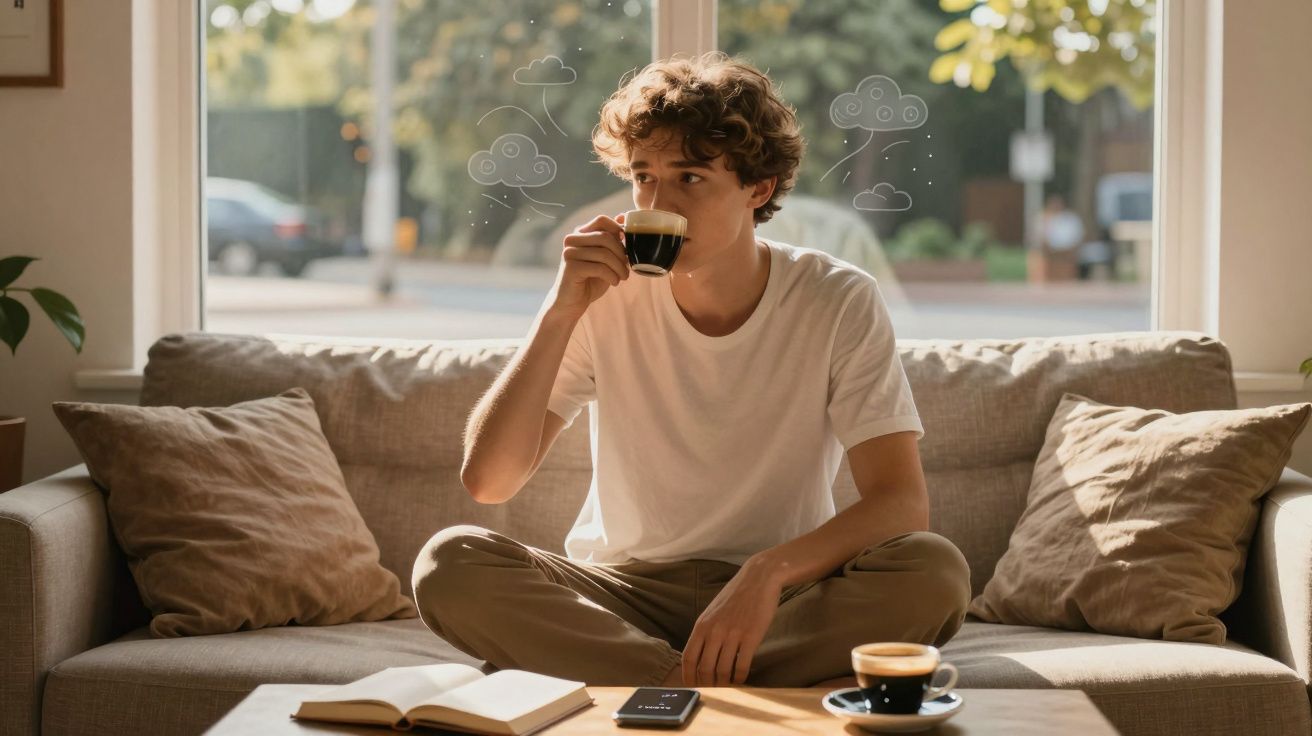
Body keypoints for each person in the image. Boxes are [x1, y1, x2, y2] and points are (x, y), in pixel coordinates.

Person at [412, 52, 971, 689]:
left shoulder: (836, 297)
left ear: (757, 189)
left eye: (689, 178)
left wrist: (768, 573)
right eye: (643, 176)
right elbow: (489, 481)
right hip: (622, 592)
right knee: (448, 563)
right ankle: (696, 684)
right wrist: (561, 314)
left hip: (777, 601)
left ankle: (645, 681)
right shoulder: (599, 291)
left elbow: (900, 503)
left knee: (934, 571)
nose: (656, 202)